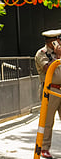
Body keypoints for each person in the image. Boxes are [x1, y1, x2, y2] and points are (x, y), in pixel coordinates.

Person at [35, 29, 61, 159]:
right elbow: (48, 68)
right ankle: (44, 148)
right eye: (58, 41)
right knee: (47, 121)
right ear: (52, 43)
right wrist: (57, 56)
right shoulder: (42, 53)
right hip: (51, 91)